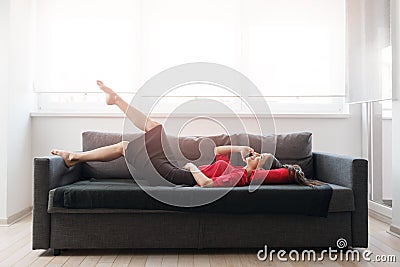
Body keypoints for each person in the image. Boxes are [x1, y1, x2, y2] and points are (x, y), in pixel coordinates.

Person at [51, 81, 322, 188]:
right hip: (174, 168)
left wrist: (192, 168)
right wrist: (238, 148)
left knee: (140, 138)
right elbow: (214, 153)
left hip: (175, 176)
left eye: (257, 157)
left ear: (259, 169)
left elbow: (206, 185)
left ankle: (113, 106)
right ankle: (76, 156)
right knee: (132, 141)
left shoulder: (240, 176)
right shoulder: (239, 167)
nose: (254, 155)